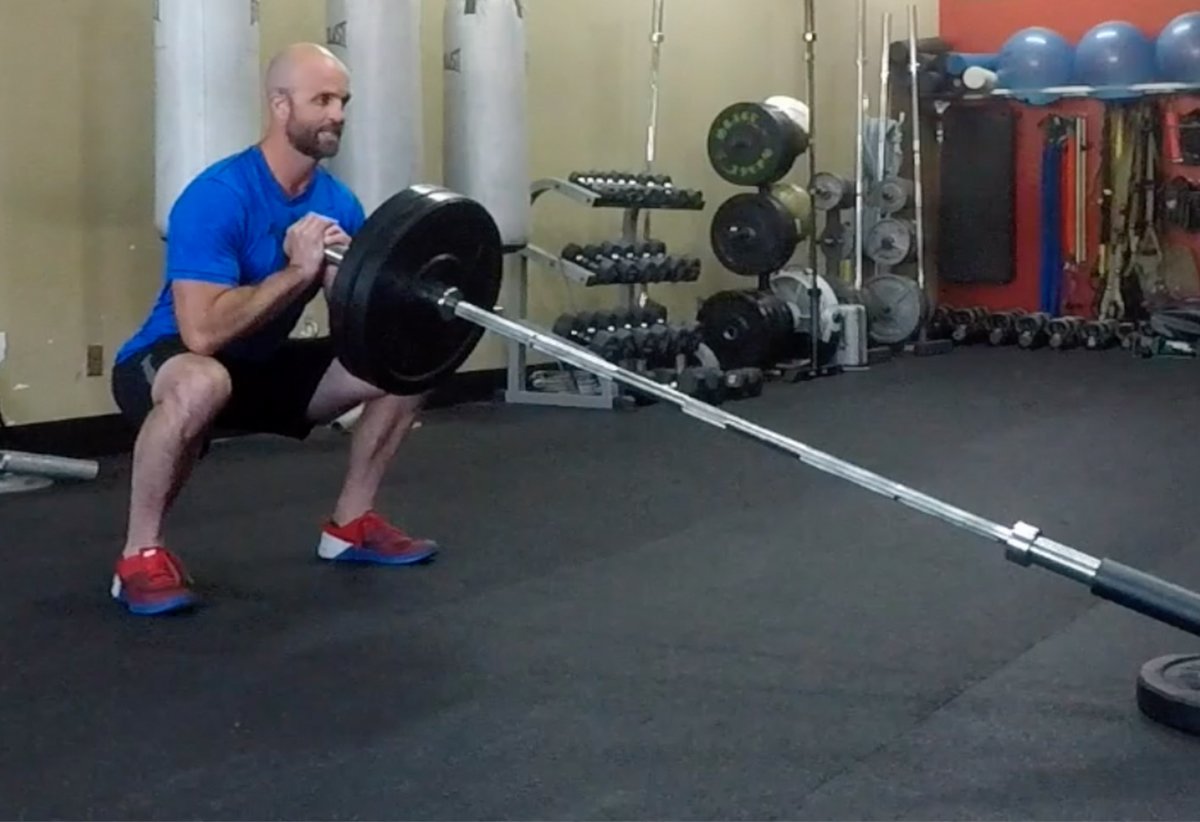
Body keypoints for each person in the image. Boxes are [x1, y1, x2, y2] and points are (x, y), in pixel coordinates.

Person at [109, 43, 437, 616]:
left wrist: (364, 288)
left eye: (343, 101)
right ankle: (139, 556)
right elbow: (202, 333)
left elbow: (352, 325)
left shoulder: (340, 203)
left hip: (261, 365)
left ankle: (350, 525)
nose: (337, 114)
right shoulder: (219, 195)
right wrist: (296, 272)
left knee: (404, 364)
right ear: (281, 105)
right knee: (204, 380)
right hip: (172, 360)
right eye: (323, 100)